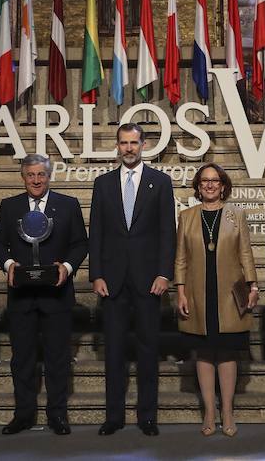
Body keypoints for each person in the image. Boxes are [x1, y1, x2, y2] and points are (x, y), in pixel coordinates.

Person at [0, 154, 88, 436]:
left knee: (58, 358)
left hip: (56, 295)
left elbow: (80, 244)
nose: (36, 180)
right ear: (23, 177)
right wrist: (10, 265)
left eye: (41, 175)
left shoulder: (67, 205)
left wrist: (66, 268)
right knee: (22, 358)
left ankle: (57, 415)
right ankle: (23, 415)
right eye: (30, 175)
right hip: (21, 295)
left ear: (49, 176)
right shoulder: (10, 207)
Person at [89, 123, 176, 436]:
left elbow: (168, 231)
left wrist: (165, 273)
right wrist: (96, 274)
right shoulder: (102, 184)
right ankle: (114, 417)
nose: (129, 148)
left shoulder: (161, 182)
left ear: (143, 145)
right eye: (124, 143)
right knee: (113, 352)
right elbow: (95, 232)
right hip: (111, 282)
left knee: (148, 351)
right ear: (117, 145)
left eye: (134, 143)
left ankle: (147, 417)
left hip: (148, 281)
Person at [175, 163, 259, 438]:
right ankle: (210, 411)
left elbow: (245, 253)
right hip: (199, 292)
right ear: (198, 187)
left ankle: (228, 411)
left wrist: (253, 285)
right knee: (204, 352)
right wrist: (181, 291)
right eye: (204, 181)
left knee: (226, 351)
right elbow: (181, 258)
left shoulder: (236, 214)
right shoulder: (186, 216)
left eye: (215, 181)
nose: (210, 185)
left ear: (223, 185)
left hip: (229, 292)